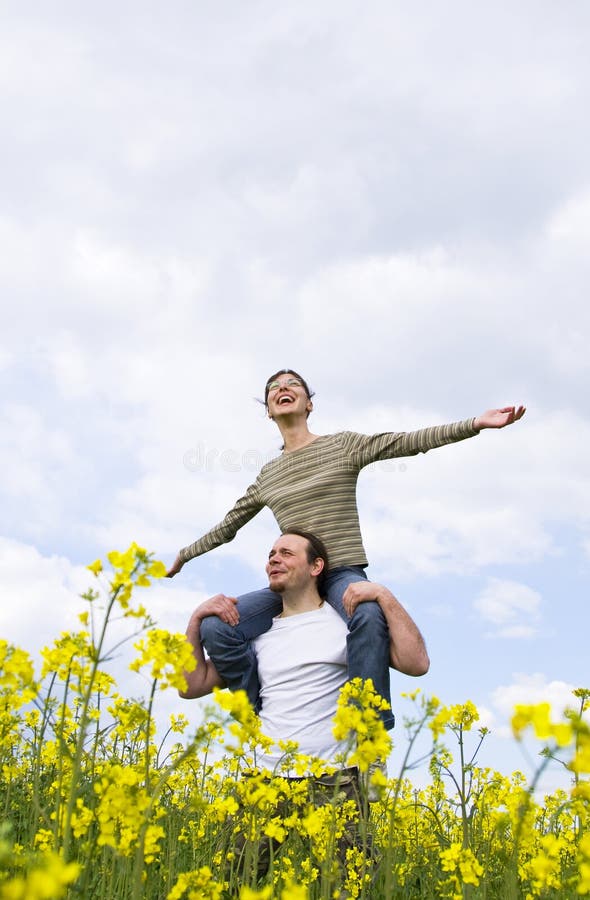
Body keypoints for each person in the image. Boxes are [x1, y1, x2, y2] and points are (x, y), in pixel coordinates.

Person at [168, 368, 525, 728]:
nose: (283, 389)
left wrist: (475, 423)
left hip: (340, 573)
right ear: (268, 410)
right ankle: (259, 711)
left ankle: (368, 727)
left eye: (293, 385)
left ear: (309, 404)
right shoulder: (268, 475)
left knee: (368, 615)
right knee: (216, 626)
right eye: (274, 388)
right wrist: (185, 555)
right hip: (294, 582)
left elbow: (405, 441)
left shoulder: (341, 446)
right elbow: (229, 525)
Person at [181, 530, 429, 879]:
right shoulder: (256, 634)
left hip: (335, 781)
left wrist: (384, 596)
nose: (273, 558)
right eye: (270, 553)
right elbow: (191, 686)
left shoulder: (345, 622)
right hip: (264, 777)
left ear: (317, 566)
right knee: (230, 883)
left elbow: (417, 663)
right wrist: (195, 621)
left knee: (350, 887)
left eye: (286, 552)